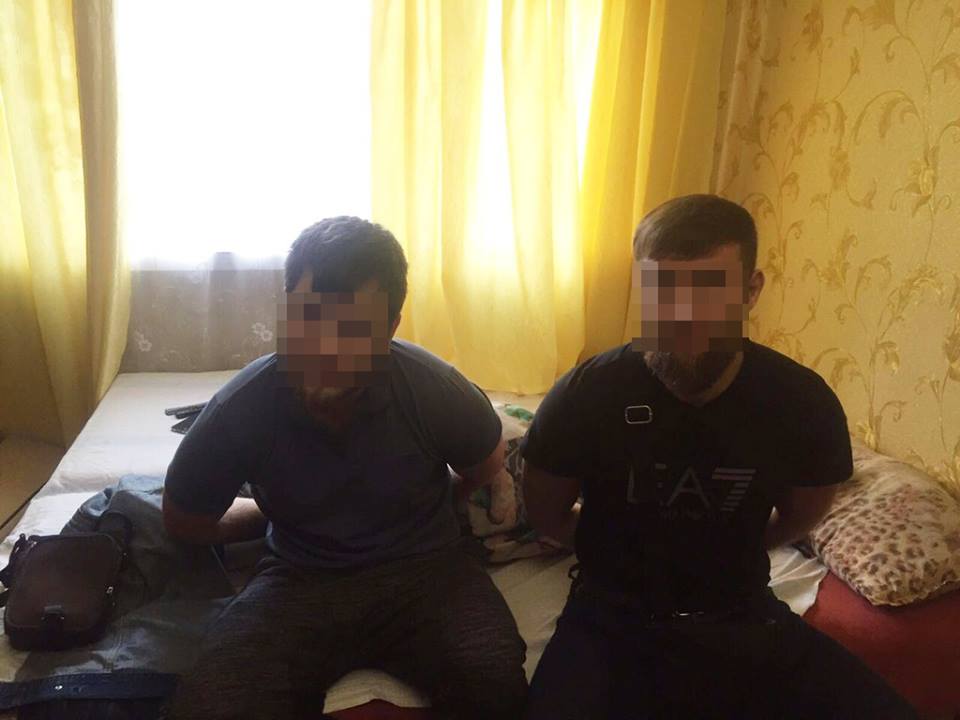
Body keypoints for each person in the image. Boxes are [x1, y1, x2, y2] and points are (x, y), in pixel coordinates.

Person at [521, 194, 918, 719]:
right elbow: (546, 513)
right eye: (664, 290)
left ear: (751, 291)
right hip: (609, 619)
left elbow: (802, 514)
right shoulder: (585, 394)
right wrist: (611, 547)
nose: (683, 316)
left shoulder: (802, 404)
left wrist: (722, 546)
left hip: (740, 614)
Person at [163, 217, 527, 720]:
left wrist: (432, 505)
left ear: (391, 328)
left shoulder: (433, 390)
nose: (325, 347)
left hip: (427, 573)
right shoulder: (242, 408)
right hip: (299, 579)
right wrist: (267, 517)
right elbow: (184, 520)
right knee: (214, 704)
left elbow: (486, 465)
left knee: (496, 684)